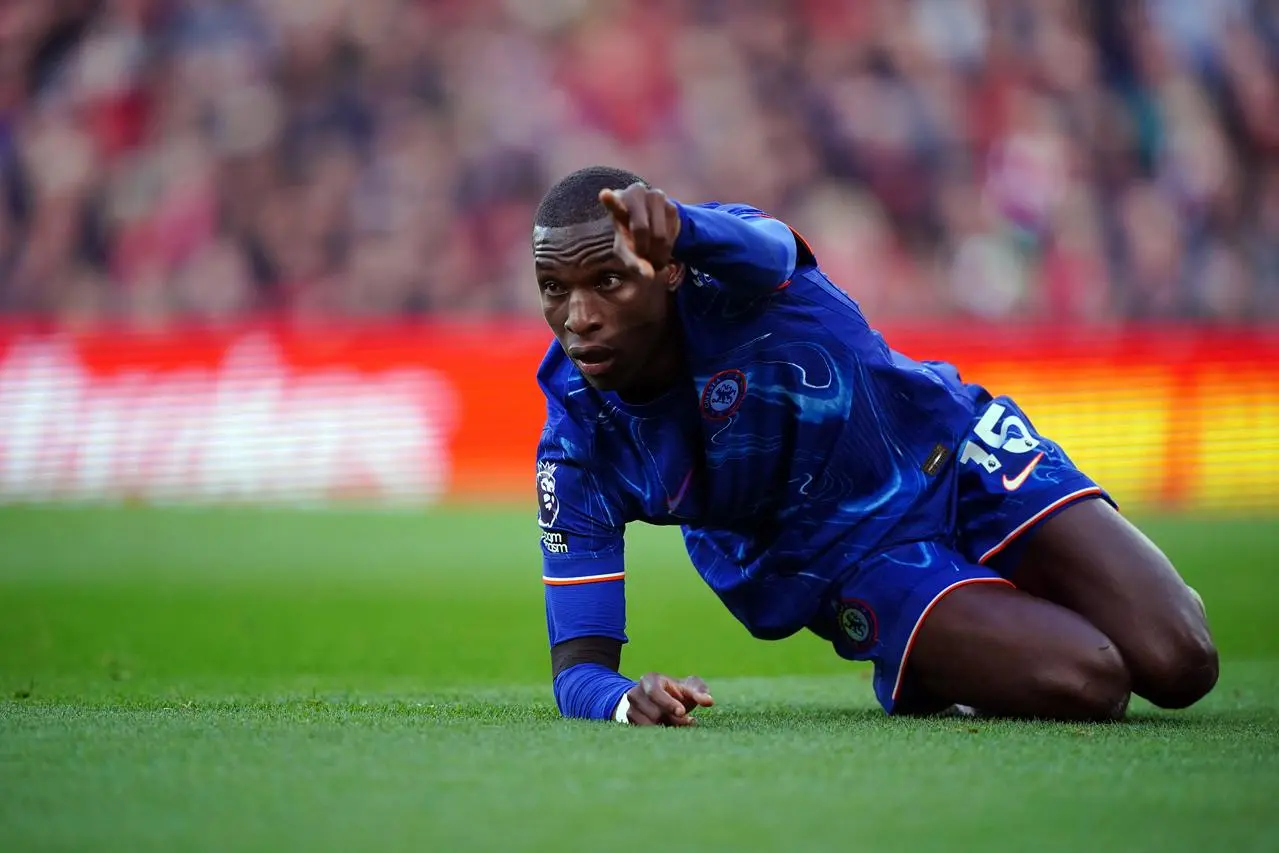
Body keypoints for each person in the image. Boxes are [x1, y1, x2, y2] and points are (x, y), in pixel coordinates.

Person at [532, 165, 1218, 726]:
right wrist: (623, 701)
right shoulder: (576, 448)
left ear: (669, 269)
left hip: (955, 449)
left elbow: (769, 245)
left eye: (609, 281)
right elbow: (579, 668)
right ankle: (919, 663)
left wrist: (683, 226)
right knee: (1092, 680)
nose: (579, 317)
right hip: (851, 559)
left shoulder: (728, 271)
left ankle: (975, 624)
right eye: (554, 289)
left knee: (1181, 661)